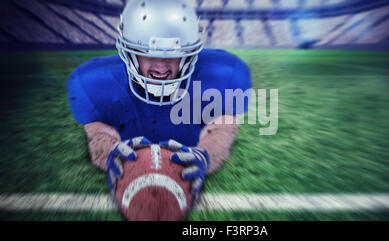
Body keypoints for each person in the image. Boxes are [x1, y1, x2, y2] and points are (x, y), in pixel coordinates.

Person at [67, 0, 251, 201]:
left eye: (175, 54)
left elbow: (222, 128)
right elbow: (98, 133)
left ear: (191, 53)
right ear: (128, 52)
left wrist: (204, 156)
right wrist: (109, 151)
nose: (162, 67)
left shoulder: (224, 74)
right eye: (147, 53)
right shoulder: (93, 81)